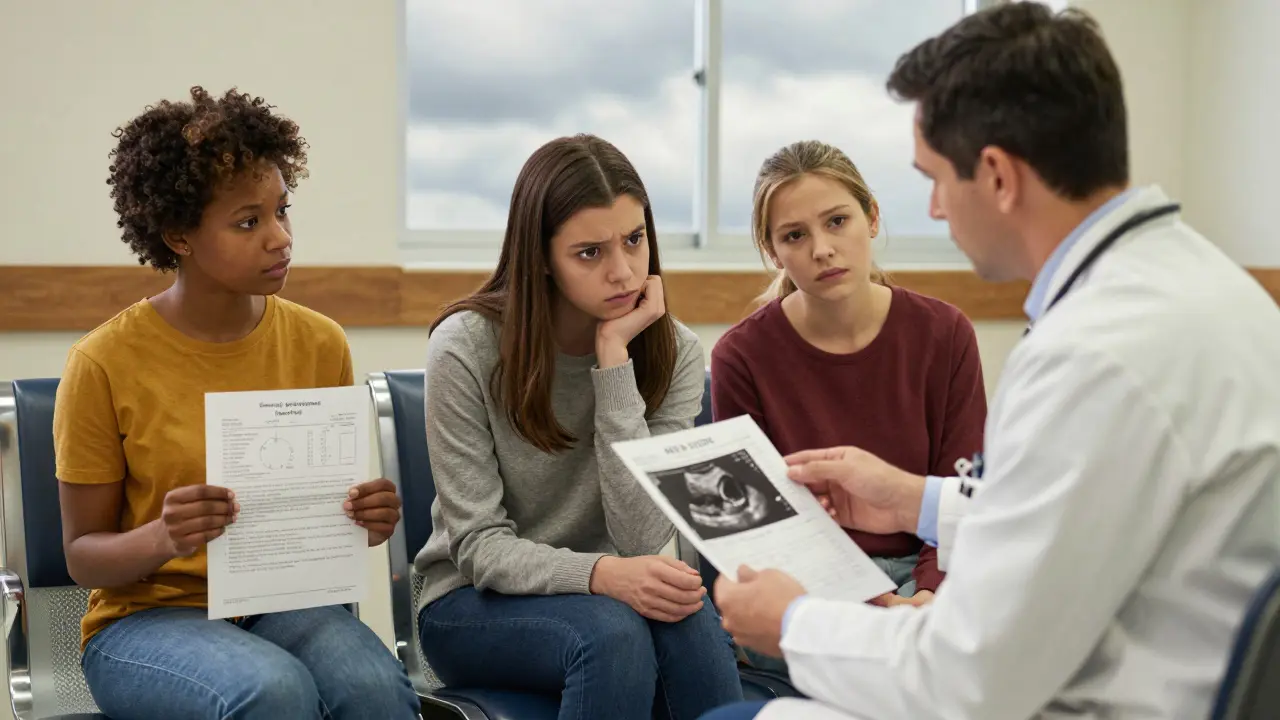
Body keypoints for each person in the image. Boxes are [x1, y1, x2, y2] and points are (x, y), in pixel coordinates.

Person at [701, 4, 1280, 720]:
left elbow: (968, 679)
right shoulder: (1210, 288)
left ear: (999, 176)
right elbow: (1068, 523)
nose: (938, 209)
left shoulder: (1091, 356)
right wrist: (916, 497)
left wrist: (793, 624)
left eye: (937, 179)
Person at [52, 87, 421, 719]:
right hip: (144, 622)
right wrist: (163, 535)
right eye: (248, 222)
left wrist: (366, 516)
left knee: (375, 688)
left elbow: (320, 519)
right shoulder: (103, 363)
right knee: (271, 691)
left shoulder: (319, 342)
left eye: (282, 210)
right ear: (179, 235)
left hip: (282, 603)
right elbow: (85, 556)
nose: (280, 238)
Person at [414, 133, 744, 720]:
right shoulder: (464, 348)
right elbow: (479, 547)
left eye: (634, 240)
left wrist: (614, 363)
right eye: (590, 252)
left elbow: (644, 539)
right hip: (472, 603)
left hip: (618, 590)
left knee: (689, 617)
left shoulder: (677, 353)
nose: (623, 272)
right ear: (540, 257)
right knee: (610, 633)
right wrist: (600, 574)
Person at [709, 140, 986, 677]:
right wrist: (874, 610)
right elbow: (766, 532)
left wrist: (928, 594)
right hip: (811, 587)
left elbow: (960, 498)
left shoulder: (946, 334)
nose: (822, 249)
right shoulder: (741, 357)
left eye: (837, 221)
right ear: (773, 252)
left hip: (933, 572)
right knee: (905, 670)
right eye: (795, 235)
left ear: (872, 217)